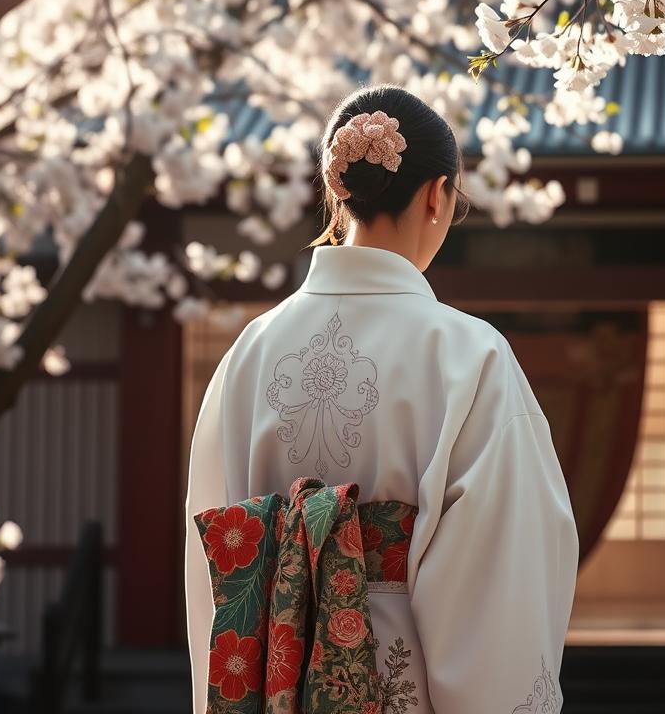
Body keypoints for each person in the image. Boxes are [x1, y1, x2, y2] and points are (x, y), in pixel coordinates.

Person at [185, 85, 579, 714]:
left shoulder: (249, 353)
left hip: (268, 681)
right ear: (435, 194)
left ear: (337, 194)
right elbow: (499, 568)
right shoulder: (468, 354)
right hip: (398, 680)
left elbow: (215, 569)